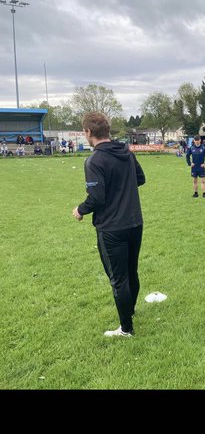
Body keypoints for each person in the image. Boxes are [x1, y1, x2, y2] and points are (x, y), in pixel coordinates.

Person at [72, 110, 146, 337]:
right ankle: (129, 312)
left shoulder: (94, 160)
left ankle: (126, 329)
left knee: (119, 279)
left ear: (88, 132)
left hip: (112, 228)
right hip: (134, 223)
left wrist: (80, 210)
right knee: (130, 272)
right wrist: (122, 187)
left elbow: (97, 197)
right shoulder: (126, 152)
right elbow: (140, 178)